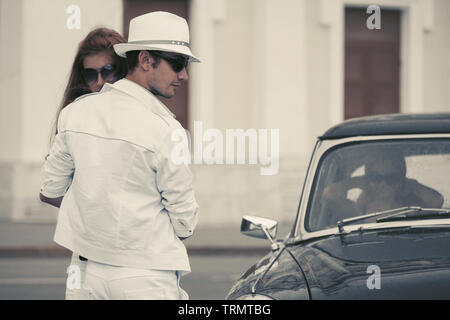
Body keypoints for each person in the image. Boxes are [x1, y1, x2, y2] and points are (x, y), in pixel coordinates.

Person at [40, 11, 200, 300]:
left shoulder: (74, 114)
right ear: (145, 60)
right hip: (146, 273)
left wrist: (95, 206)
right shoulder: (166, 130)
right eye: (178, 63)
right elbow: (185, 223)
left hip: (85, 272)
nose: (184, 75)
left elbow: (50, 189)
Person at [41, 27, 127, 300]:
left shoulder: (142, 119)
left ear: (124, 69)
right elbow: (49, 191)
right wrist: (90, 203)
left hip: (135, 259)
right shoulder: (73, 119)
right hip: (86, 256)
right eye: (91, 74)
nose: (100, 81)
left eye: (108, 70)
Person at [321, 148, 444, 227]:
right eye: (376, 178)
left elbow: (437, 200)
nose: (383, 184)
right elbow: (329, 193)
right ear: (367, 178)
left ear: (401, 180)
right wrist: (359, 181)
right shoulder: (358, 211)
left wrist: (410, 184)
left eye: (391, 178)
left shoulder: (409, 209)